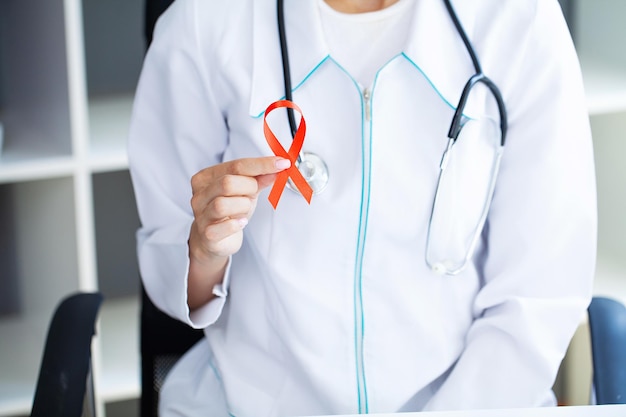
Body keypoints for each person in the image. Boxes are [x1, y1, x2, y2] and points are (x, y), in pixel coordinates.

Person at [127, 0, 597, 415]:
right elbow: (167, 244)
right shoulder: (204, 20)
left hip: (471, 402)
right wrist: (203, 253)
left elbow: (539, 291)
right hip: (250, 401)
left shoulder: (521, 19)